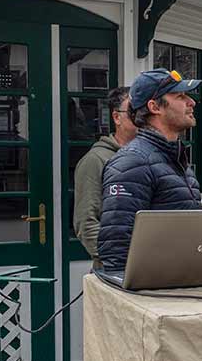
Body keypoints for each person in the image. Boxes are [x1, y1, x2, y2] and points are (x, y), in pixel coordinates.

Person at [97, 68, 202, 271]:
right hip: (156, 295)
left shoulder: (178, 161)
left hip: (183, 285)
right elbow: (116, 252)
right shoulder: (132, 162)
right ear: (154, 107)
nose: (191, 102)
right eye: (180, 96)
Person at [73, 87, 137, 268]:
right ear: (117, 117)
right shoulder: (96, 160)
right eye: (133, 112)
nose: (141, 117)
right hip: (115, 270)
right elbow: (87, 222)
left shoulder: (151, 157)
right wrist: (113, 261)